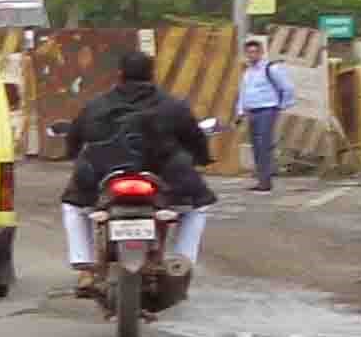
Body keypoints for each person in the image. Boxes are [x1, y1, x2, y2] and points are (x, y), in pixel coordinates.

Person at [60, 43, 220, 288]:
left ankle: (85, 266)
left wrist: (72, 153)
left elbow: (75, 137)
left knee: (73, 207)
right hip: (165, 177)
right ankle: (181, 261)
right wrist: (203, 158)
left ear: (120, 75)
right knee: (197, 207)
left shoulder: (96, 105)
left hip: (102, 177)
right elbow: (195, 138)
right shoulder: (173, 106)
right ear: (152, 75)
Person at [234, 41, 298, 188]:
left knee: (264, 145)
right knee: (256, 146)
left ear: (261, 52)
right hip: (252, 111)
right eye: (249, 52)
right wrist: (240, 112)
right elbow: (243, 93)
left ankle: (265, 181)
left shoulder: (271, 68)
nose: (252, 55)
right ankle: (262, 179)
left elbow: (287, 87)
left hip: (267, 110)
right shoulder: (248, 72)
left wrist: (282, 105)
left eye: (255, 52)